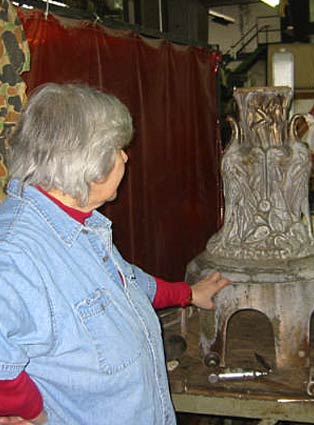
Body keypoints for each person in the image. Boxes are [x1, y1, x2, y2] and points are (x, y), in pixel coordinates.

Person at [0, 83, 230, 424]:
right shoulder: (16, 254)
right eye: (117, 148)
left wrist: (189, 294)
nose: (125, 156)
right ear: (87, 161)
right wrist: (29, 412)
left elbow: (124, 282)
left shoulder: (77, 224)